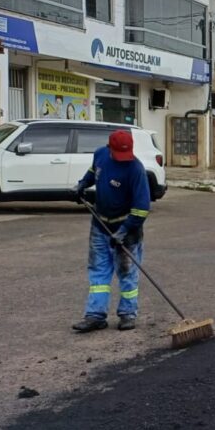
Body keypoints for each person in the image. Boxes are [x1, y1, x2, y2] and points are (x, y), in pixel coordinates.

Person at [72, 129, 150, 332]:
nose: (123, 159)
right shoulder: (100, 155)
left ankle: (127, 314)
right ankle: (95, 316)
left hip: (127, 230)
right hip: (100, 225)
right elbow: (92, 172)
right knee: (98, 272)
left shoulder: (135, 169)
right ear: (109, 147)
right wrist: (82, 185)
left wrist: (124, 231)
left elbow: (142, 209)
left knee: (127, 272)